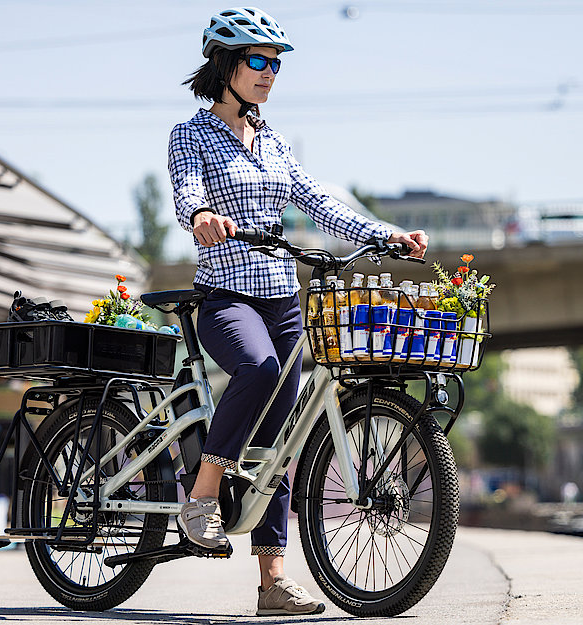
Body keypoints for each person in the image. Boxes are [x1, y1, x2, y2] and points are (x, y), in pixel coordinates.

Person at [168, 7, 427, 617]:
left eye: (276, 64)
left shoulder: (276, 145)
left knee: (283, 436)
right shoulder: (191, 134)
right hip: (227, 297)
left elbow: (321, 202)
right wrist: (202, 218)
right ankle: (201, 493)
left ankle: (273, 584)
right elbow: (187, 193)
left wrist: (387, 234)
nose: (269, 74)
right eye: (258, 61)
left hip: (283, 300)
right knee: (258, 370)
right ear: (226, 67)